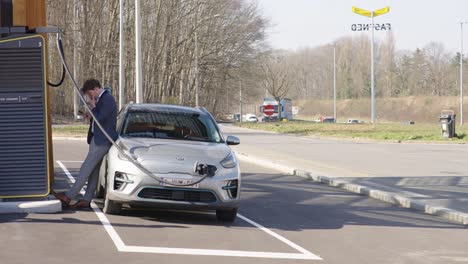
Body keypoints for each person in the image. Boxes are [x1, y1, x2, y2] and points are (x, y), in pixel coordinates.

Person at [54, 79, 118, 209]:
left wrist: (93, 107)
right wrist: (90, 113)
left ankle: (69, 196)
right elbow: (98, 117)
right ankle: (87, 199)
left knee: (86, 168)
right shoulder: (103, 99)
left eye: (90, 94)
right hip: (97, 138)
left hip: (102, 141)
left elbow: (100, 119)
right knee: (94, 171)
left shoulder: (107, 99)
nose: (90, 97)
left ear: (95, 89)